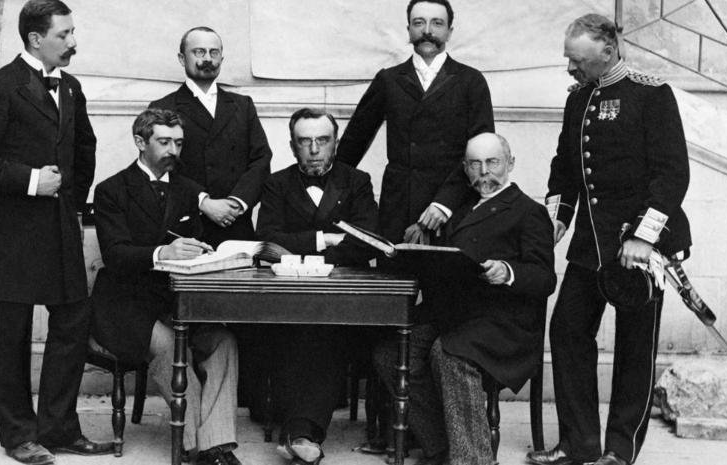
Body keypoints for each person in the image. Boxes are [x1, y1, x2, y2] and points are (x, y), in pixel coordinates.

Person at [527, 14, 691, 465]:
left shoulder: (651, 94)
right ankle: (578, 444)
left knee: (635, 348)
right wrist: (557, 220)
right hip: (590, 245)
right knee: (567, 331)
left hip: (640, 248)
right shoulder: (578, 98)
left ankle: (619, 451)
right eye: (568, 59)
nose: (570, 68)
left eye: (577, 61)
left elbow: (672, 174)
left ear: (608, 50)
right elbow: (565, 168)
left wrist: (644, 236)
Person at [0, 1, 110, 463]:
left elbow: (84, 149)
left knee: (73, 322)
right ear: (36, 39)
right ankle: (19, 435)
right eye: (64, 34)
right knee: (12, 336)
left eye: (73, 32)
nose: (73, 42)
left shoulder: (71, 87)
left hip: (60, 230)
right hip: (11, 237)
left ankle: (58, 428)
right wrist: (31, 181)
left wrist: (72, 203)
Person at [374, 133, 556, 465]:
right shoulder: (458, 209)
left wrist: (507, 271)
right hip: (453, 315)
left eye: (492, 162)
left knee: (450, 353)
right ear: (465, 168)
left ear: (510, 163)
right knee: (390, 354)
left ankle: (473, 459)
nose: (484, 172)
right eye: (475, 164)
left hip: (503, 323)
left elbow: (545, 278)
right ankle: (442, 447)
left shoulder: (528, 212)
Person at [90, 108, 242, 465]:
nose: (173, 150)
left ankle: (216, 443)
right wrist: (163, 252)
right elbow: (115, 255)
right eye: (164, 141)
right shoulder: (111, 190)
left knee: (224, 342)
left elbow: (194, 244)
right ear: (140, 142)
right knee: (174, 348)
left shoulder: (188, 191)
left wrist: (202, 253)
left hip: (175, 303)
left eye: (179, 143)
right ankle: (197, 447)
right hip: (124, 306)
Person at [256, 108, 379, 465]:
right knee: (293, 333)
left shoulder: (357, 181)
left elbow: (367, 242)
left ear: (335, 143)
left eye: (322, 141)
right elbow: (267, 240)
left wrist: (299, 245)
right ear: (292, 146)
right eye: (304, 141)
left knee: (326, 333)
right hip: (289, 297)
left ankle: (300, 434)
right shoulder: (276, 183)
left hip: (344, 299)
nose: (314, 149)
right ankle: (301, 434)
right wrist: (325, 239)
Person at [336, 0, 494, 246]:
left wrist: (444, 203)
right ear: (408, 29)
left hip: (454, 209)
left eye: (437, 23)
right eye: (419, 23)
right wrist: (332, 196)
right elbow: (352, 144)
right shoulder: (388, 80)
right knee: (397, 270)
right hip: (399, 210)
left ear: (450, 31)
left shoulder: (471, 82)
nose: (427, 31)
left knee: (451, 270)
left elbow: (482, 153)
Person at [148, 26, 272, 247]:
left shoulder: (242, 106)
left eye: (213, 52)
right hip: (187, 227)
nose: (207, 58)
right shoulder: (163, 107)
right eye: (199, 52)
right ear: (182, 58)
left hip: (236, 226)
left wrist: (237, 203)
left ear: (221, 59)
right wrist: (203, 202)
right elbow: (158, 165)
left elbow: (261, 159)